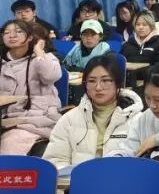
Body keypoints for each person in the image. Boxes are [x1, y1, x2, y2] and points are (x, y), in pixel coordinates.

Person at [44, 55, 144, 168]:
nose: (98, 87)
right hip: (78, 178)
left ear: (118, 83)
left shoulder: (138, 120)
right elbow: (55, 160)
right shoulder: (69, 120)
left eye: (105, 80)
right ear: (85, 84)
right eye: (91, 81)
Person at [0, 19, 62, 155]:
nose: (12, 35)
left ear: (29, 37)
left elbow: (51, 76)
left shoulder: (44, 58)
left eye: (18, 31)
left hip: (37, 118)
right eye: (7, 33)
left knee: (10, 144)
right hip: (6, 119)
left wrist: (39, 51)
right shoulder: (2, 62)